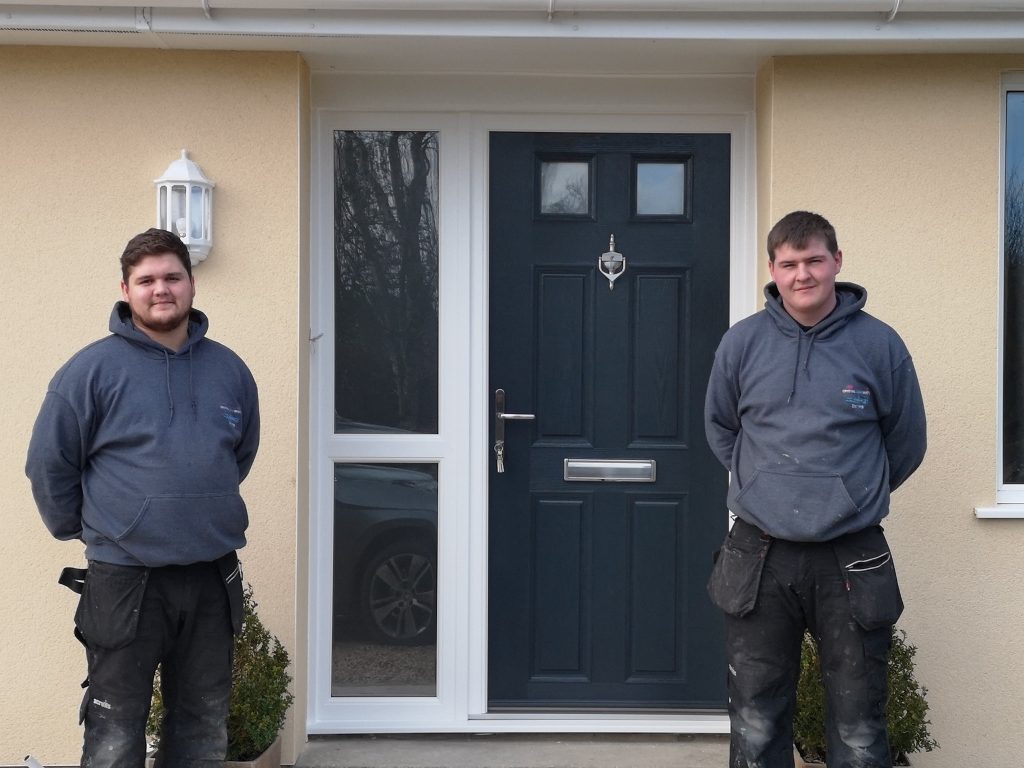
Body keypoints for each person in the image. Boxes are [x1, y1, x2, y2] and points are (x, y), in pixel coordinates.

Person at [26, 228, 260, 768]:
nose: (161, 289)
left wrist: (197, 506)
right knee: (115, 732)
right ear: (125, 290)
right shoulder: (90, 371)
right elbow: (49, 463)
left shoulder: (231, 371)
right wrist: (91, 529)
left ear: (192, 285)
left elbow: (238, 457)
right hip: (124, 579)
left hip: (210, 576)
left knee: (203, 726)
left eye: (172, 277)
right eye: (146, 280)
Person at [704, 211, 926, 768]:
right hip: (759, 553)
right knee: (755, 721)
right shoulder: (742, 344)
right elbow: (721, 428)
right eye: (789, 263)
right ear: (773, 270)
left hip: (851, 553)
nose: (802, 274)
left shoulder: (880, 346)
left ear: (837, 262)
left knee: (858, 728)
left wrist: (850, 493)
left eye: (813, 260)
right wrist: (762, 486)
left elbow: (906, 442)